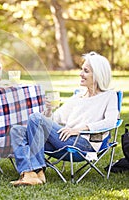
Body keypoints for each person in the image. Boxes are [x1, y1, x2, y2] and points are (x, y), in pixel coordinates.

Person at [9, 51, 119, 186]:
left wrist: (80, 129)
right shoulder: (78, 97)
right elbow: (55, 118)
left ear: (97, 75)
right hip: (63, 138)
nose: (81, 74)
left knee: (36, 118)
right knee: (17, 130)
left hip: (83, 143)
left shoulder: (109, 96)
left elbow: (111, 121)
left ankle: (36, 170)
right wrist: (49, 110)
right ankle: (31, 174)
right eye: (81, 70)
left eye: (86, 71)